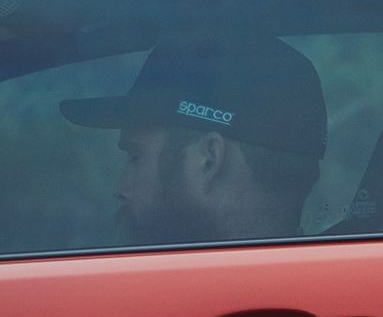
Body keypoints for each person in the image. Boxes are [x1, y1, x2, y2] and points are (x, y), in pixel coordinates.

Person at [61, 35, 330, 246]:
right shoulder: (332, 287)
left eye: (135, 157)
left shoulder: (155, 297)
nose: (120, 188)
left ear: (208, 160)